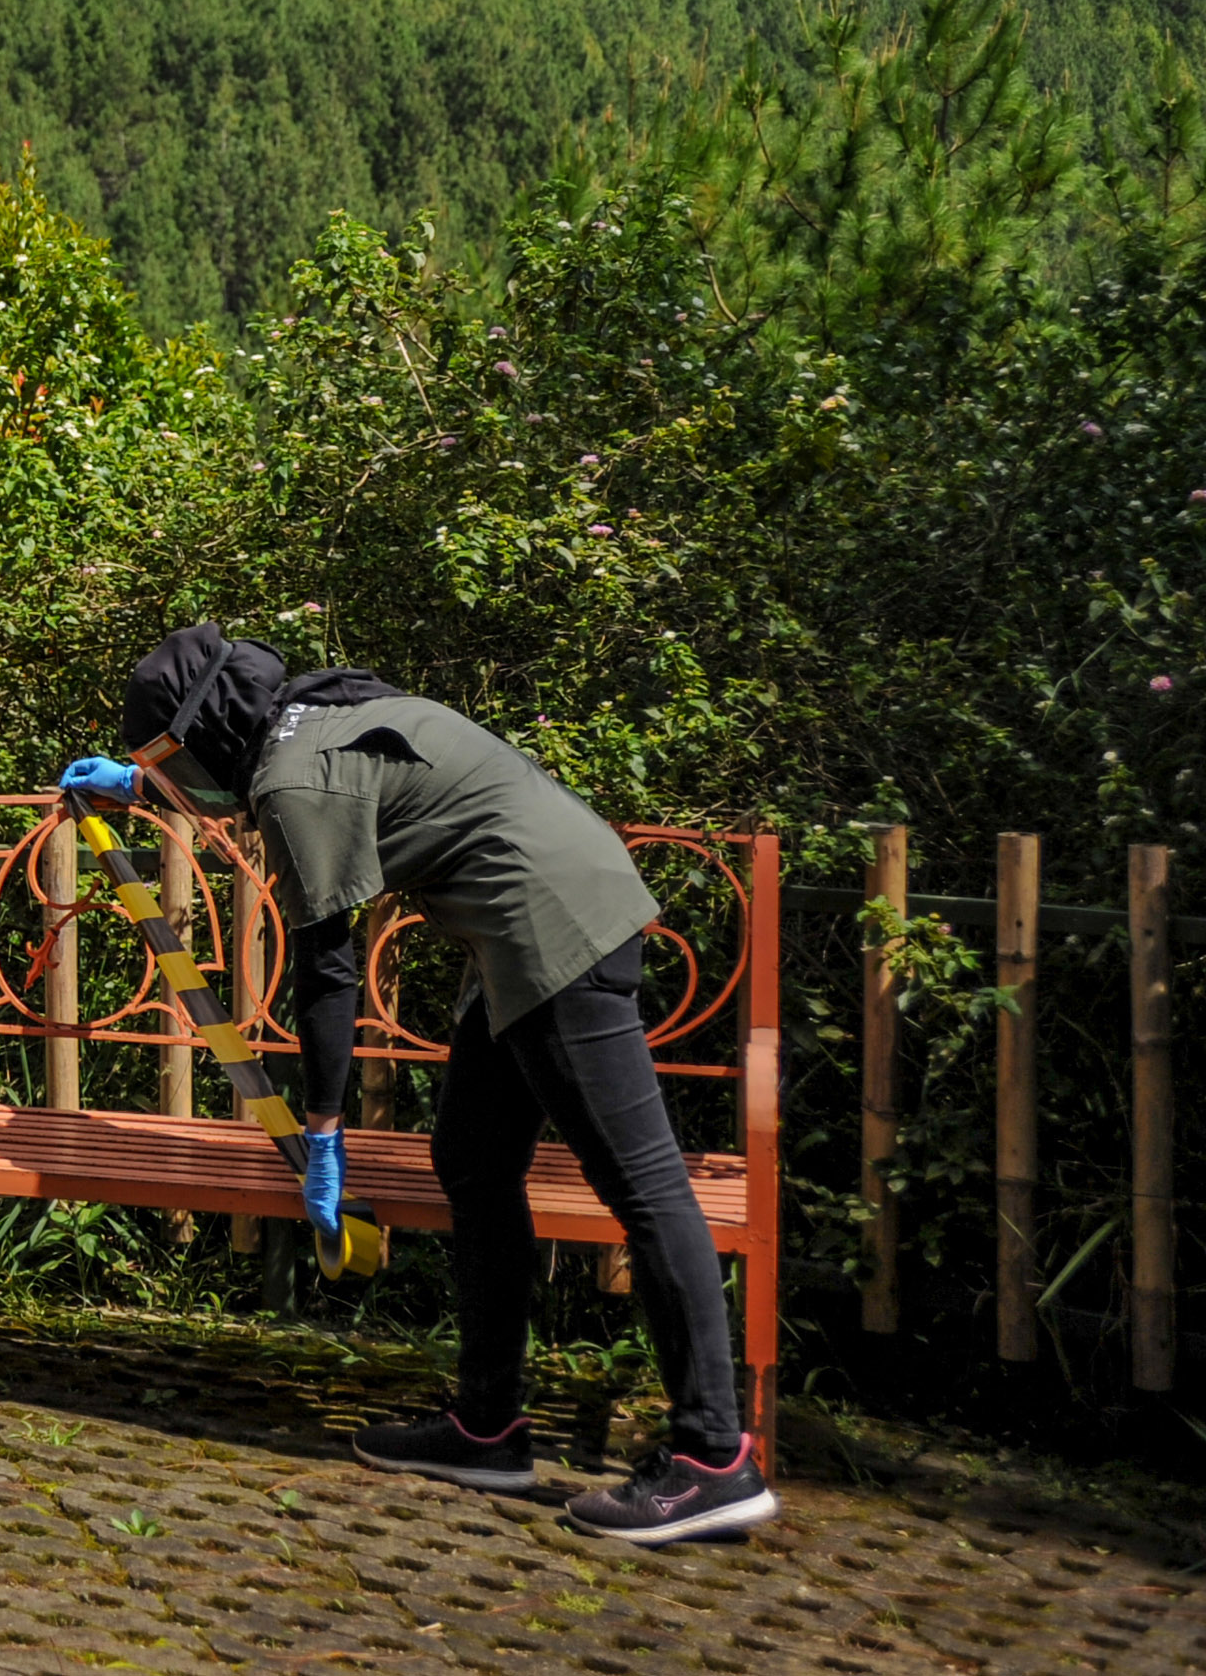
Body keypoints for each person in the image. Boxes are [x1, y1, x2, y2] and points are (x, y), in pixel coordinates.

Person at [68, 620, 775, 1546]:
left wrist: (322, 1134)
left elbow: (325, 974)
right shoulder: (311, 718)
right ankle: (487, 1428)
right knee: (475, 1163)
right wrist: (144, 788)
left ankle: (713, 1461)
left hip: (554, 925)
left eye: (170, 761)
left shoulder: (291, 775)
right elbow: (314, 788)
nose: (176, 784)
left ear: (211, 729)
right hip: (523, 925)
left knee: (641, 1185)